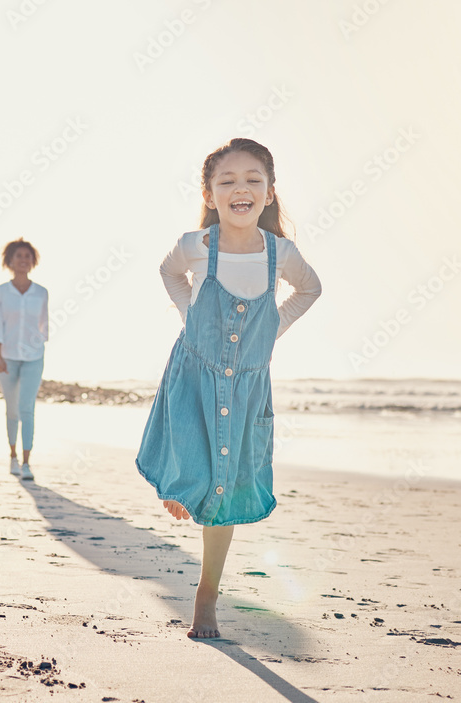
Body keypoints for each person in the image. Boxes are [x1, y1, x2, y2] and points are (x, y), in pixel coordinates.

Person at [135, 138, 322, 639]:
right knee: (197, 471)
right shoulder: (196, 245)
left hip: (245, 389)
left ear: (270, 192)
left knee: (227, 485)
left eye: (253, 180)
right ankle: (181, 484)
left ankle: (207, 593)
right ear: (210, 192)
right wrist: (187, 314)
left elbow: (311, 290)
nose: (241, 188)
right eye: (228, 181)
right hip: (194, 376)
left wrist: (273, 329)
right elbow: (168, 272)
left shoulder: (281, 253)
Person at [0, 239, 48, 482]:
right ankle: (12, 455)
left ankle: (26, 463)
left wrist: (37, 346)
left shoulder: (41, 292)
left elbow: (44, 327)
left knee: (27, 408)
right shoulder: (0, 292)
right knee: (11, 410)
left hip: (34, 358)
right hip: (8, 359)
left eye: (27, 256)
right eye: (19, 256)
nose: (23, 260)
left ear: (32, 261)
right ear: (10, 261)